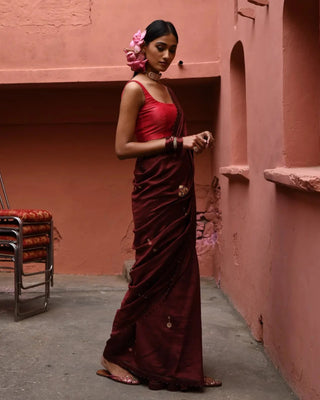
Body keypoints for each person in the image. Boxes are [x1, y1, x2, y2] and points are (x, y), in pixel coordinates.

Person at [97, 19, 221, 391]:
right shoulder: (134, 89)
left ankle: (179, 368)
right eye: (161, 48)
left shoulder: (166, 89)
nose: (167, 56)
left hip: (178, 193)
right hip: (154, 196)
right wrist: (177, 144)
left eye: (173, 50)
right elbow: (122, 148)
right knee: (150, 276)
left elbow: (176, 138)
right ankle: (114, 353)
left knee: (181, 280)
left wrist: (194, 139)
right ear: (144, 47)